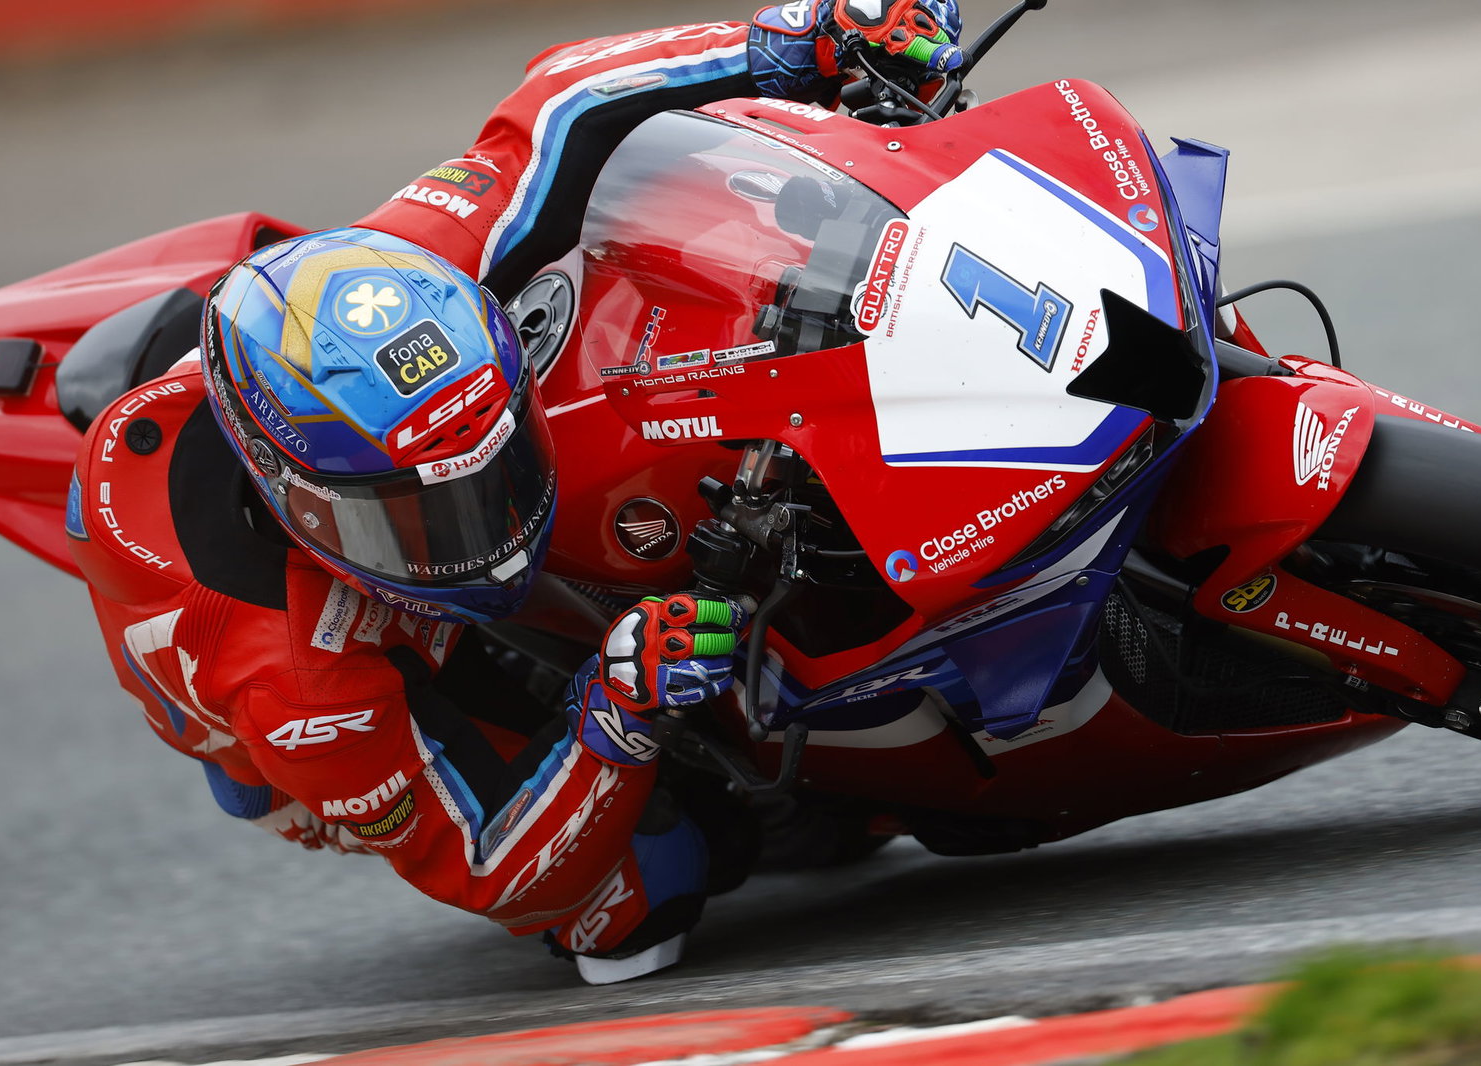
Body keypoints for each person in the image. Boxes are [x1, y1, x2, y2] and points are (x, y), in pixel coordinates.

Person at [65, 0, 962, 985]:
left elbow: (561, 105)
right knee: (635, 901)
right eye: (419, 520)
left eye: (493, 476)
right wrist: (615, 710)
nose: (489, 543)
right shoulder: (302, 693)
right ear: (303, 504)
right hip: (328, 717)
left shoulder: (406, 268)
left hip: (268, 429)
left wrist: (792, 38)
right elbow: (499, 870)